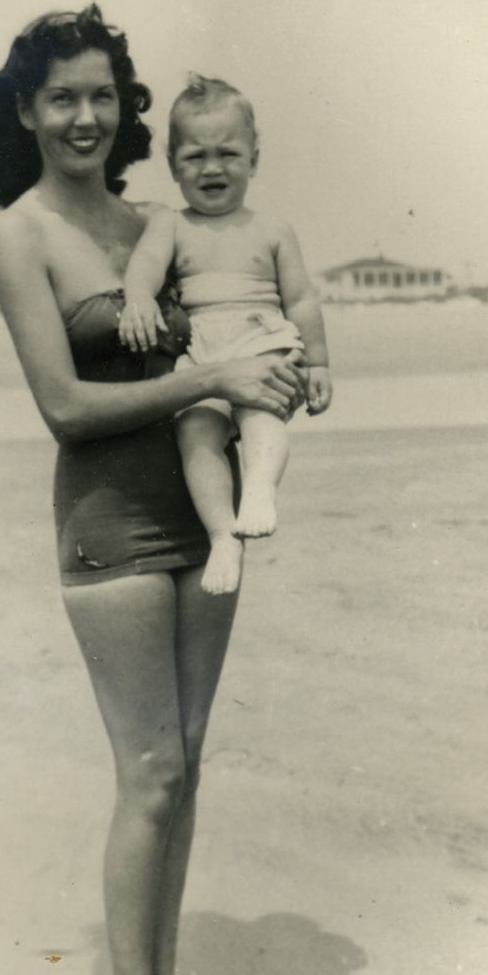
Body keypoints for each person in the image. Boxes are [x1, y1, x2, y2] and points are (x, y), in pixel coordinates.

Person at [0, 6, 307, 975]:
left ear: (126, 111)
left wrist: (277, 368)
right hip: (108, 518)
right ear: (26, 110)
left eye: (102, 95)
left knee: (189, 760)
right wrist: (211, 382)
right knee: (147, 772)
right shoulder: (21, 233)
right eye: (61, 96)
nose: (83, 115)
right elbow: (65, 407)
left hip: (199, 509)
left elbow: (244, 314)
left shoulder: (156, 216)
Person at [119, 75, 333, 596]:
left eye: (228, 154)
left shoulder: (272, 228)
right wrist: (140, 299)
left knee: (263, 418)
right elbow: (144, 268)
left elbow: (301, 298)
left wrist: (320, 363)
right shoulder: (171, 224)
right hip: (204, 352)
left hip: (262, 340)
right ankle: (222, 535)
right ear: (172, 165)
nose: (212, 168)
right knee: (196, 433)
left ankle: (258, 490)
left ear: (254, 159)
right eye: (194, 157)